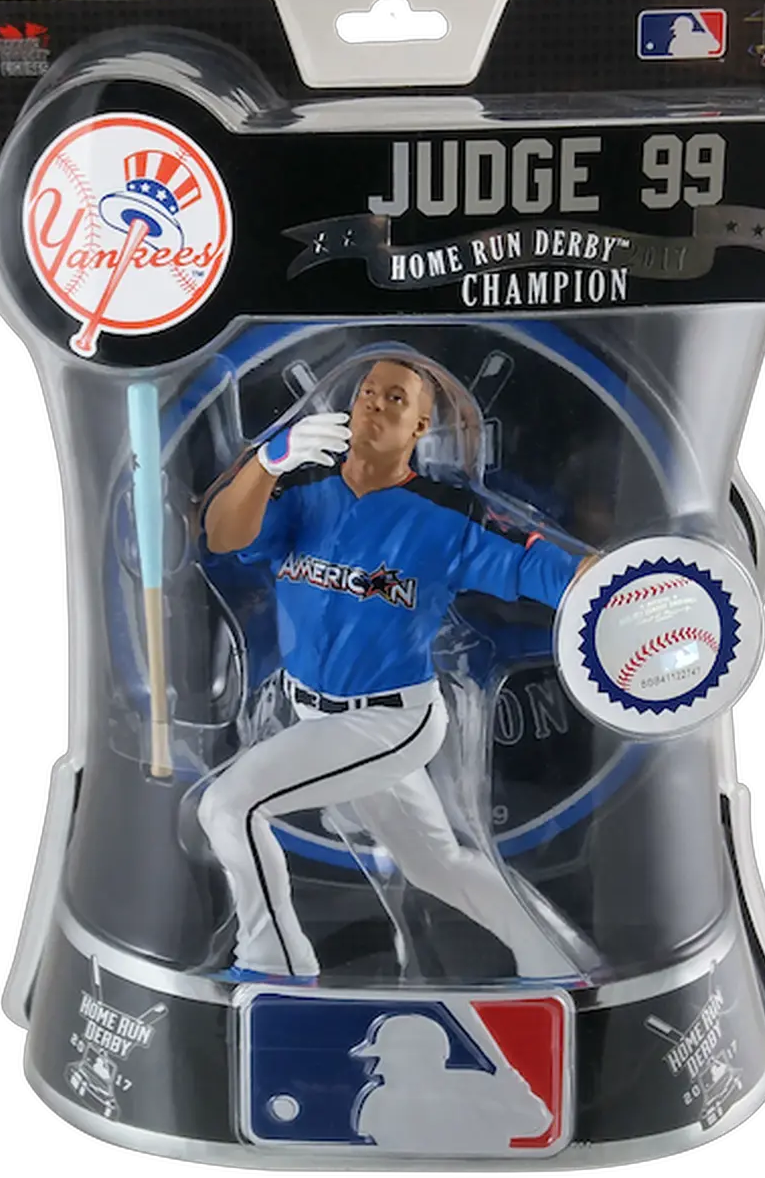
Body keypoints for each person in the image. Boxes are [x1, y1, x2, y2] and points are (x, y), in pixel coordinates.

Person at [197, 342, 595, 983]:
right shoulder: (306, 492)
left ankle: (276, 962)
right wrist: (267, 462)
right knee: (434, 865)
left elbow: (537, 565)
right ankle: (556, 961)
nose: (374, 405)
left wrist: (625, 585)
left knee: (228, 806)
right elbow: (223, 534)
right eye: (366, 393)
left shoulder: (444, 513)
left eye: (395, 399)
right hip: (318, 716)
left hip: (389, 721)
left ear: (419, 428)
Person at [352, 1013, 551, 1153]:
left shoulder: (478, 1087)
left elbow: (534, 1123)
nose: (375, 1071)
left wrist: (516, 1092)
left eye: (386, 1060)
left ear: (417, 1059)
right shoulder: (379, 1101)